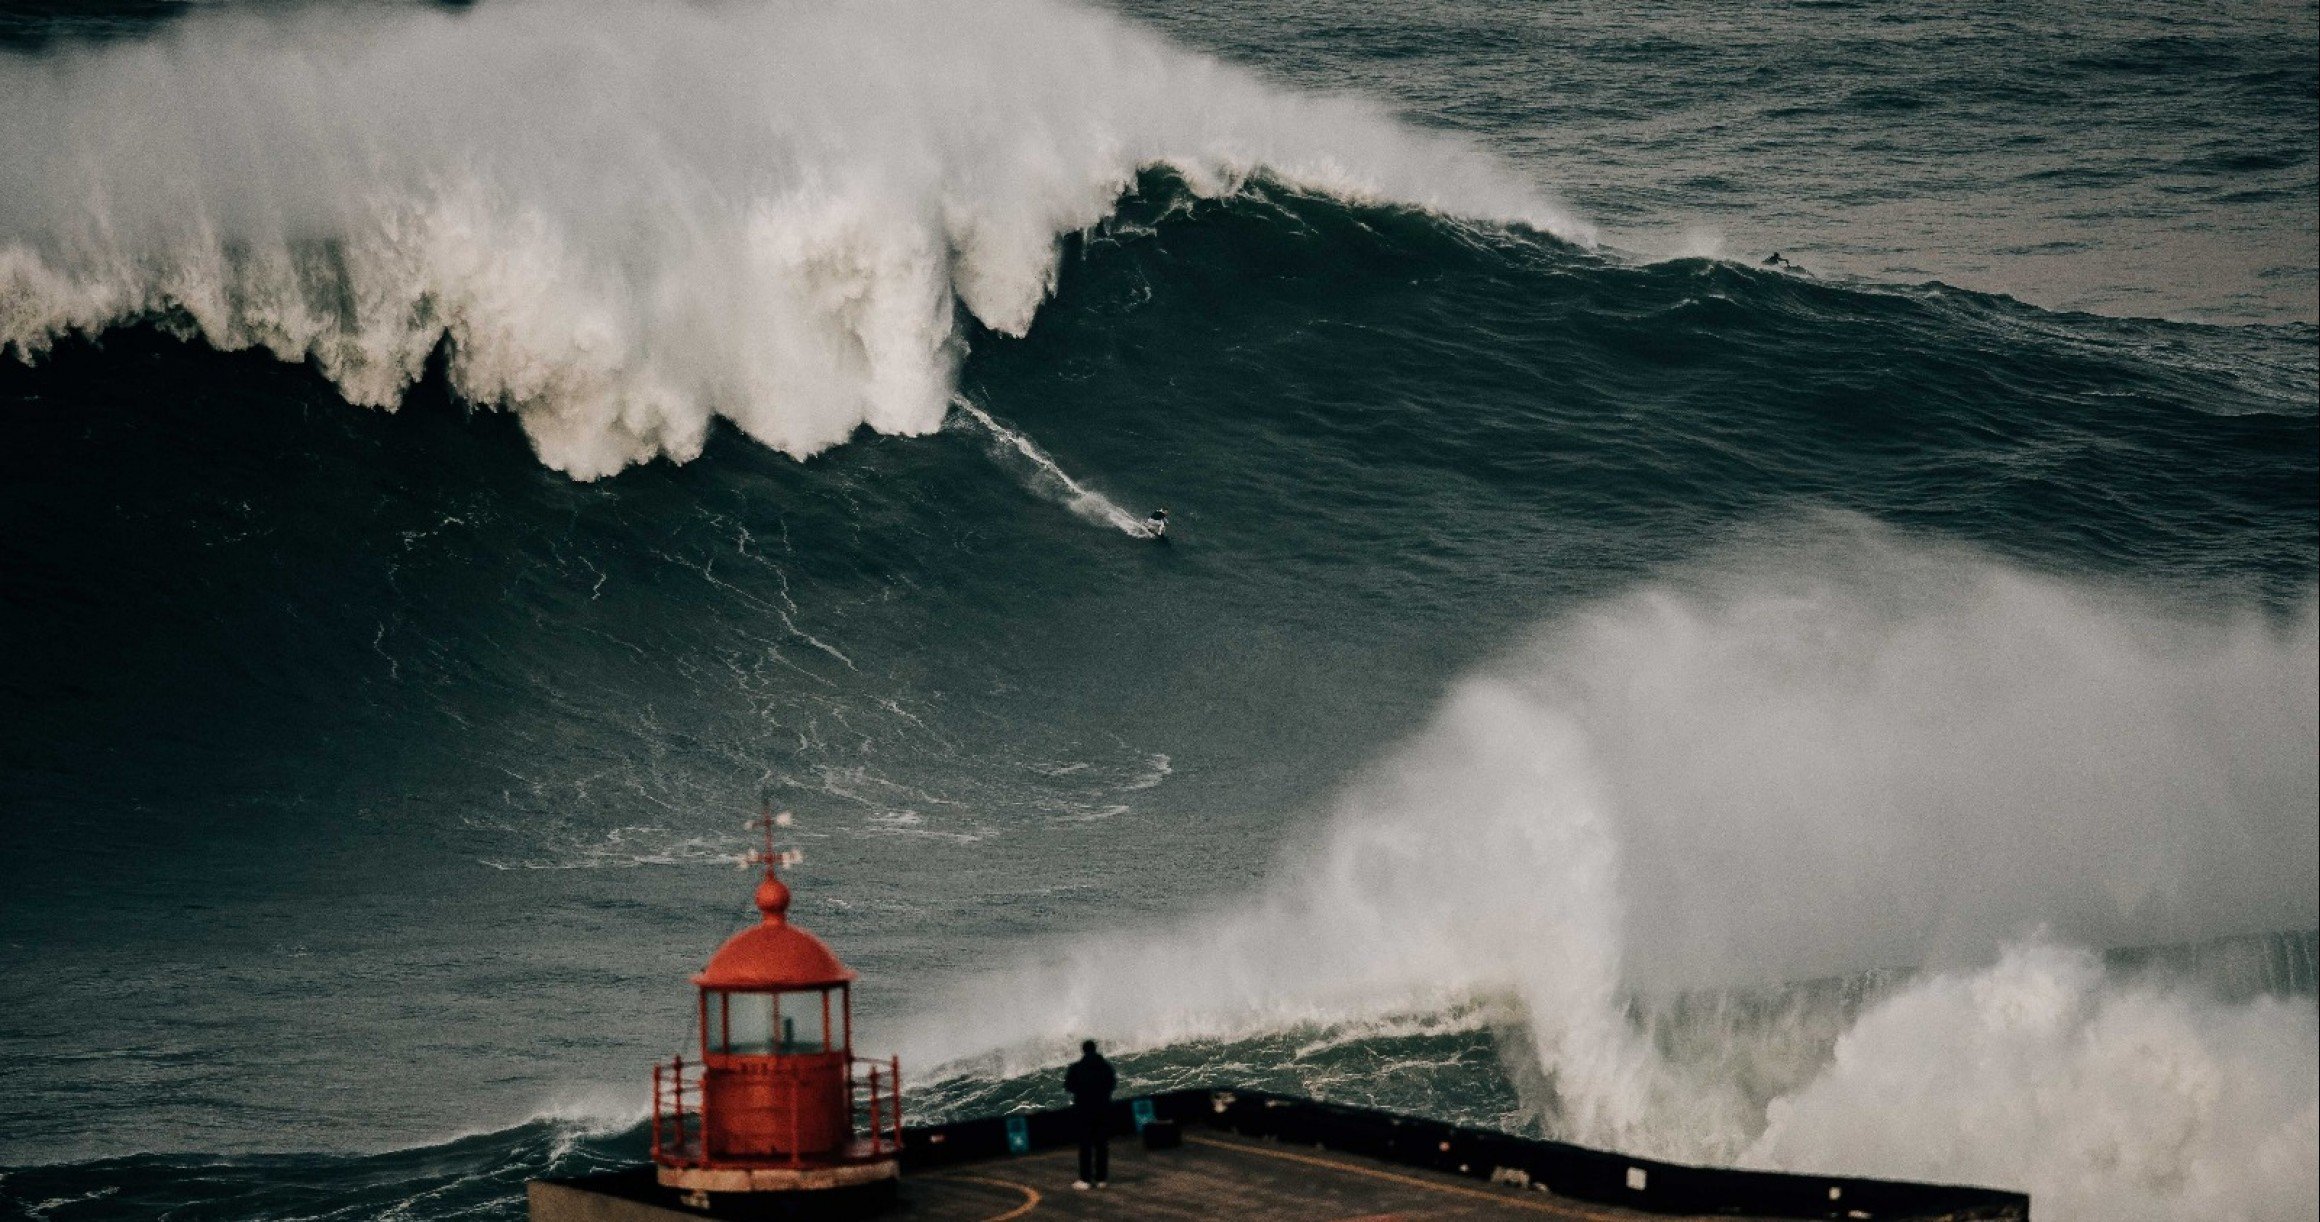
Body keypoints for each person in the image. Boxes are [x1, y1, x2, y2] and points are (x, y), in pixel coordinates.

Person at [1064, 1039, 1117, 1189]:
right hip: (1103, 1109)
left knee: (1085, 1146)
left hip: (1084, 1111)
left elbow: (1069, 1087)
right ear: (1095, 1049)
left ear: (1083, 1050)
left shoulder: (1077, 1068)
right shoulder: (1106, 1066)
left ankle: (1086, 1180)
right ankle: (1101, 1179)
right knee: (1101, 1145)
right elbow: (1112, 1084)